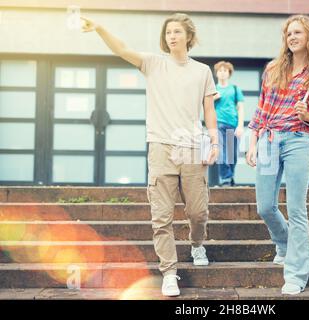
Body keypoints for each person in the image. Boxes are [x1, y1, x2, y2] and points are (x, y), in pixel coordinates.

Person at [81, 13, 219, 297]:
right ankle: (169, 272)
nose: (171, 36)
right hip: (160, 147)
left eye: (177, 31)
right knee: (161, 216)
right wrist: (100, 28)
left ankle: (197, 243)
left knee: (197, 211)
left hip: (192, 147)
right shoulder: (153, 64)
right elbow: (121, 49)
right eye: (168, 32)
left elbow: (209, 112)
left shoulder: (202, 71)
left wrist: (215, 143)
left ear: (188, 37)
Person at [246, 14, 309, 295]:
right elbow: (261, 111)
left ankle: (296, 275)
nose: (292, 37)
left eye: (298, 32)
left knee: (296, 209)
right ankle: (284, 243)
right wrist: (252, 143)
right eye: (289, 34)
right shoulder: (273, 69)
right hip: (269, 140)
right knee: (264, 206)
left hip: (298, 139)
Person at [213, 61, 245, 186]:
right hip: (218, 124)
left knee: (232, 155)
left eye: (224, 71)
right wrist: (213, 98)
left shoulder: (235, 89)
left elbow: (241, 107)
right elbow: (204, 106)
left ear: (229, 73)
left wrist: (240, 125)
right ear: (216, 73)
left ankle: (229, 177)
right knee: (222, 152)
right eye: (220, 71)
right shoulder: (213, 90)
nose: (222, 73)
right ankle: (226, 178)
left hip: (233, 124)